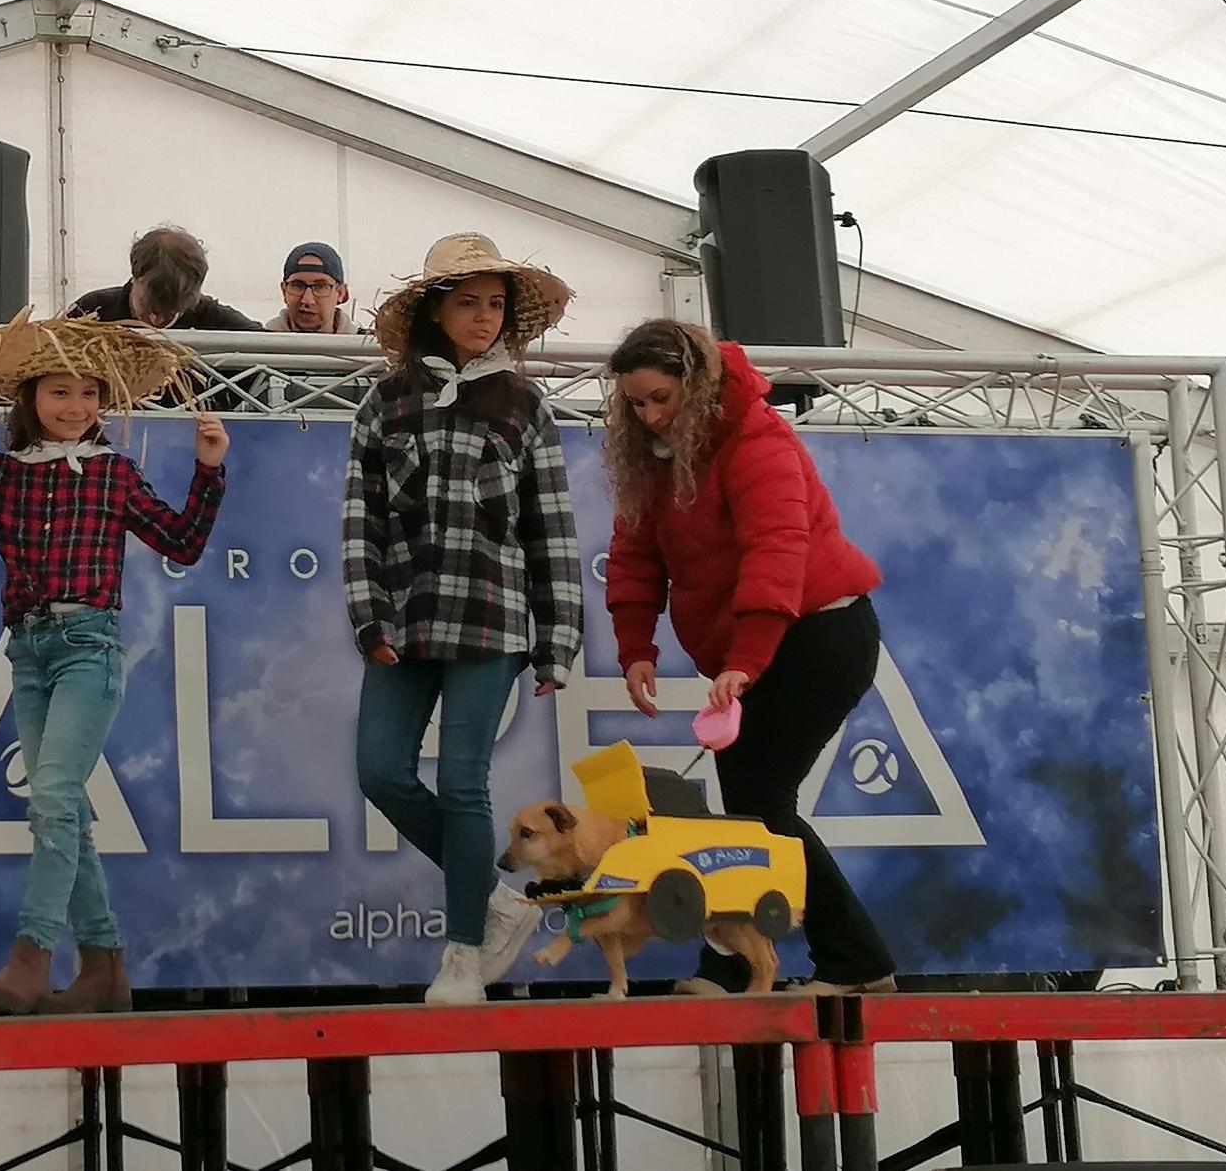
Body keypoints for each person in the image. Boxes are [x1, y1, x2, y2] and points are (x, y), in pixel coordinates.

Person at [0, 311, 230, 1015]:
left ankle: (32, 958)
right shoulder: (3, 474)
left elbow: (182, 542)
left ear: (103, 406)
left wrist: (208, 471)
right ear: (30, 400)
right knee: (66, 811)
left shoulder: (113, 472)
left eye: (88, 394)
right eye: (60, 392)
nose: (75, 407)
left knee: (51, 797)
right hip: (30, 651)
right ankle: (105, 969)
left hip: (89, 648)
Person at [602, 318, 896, 996]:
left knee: (760, 804)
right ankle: (744, 962)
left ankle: (847, 963)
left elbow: (778, 552)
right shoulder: (657, 455)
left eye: (661, 399)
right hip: (760, 647)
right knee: (748, 807)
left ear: (698, 385)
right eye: (635, 404)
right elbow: (635, 555)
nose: (648, 416)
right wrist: (634, 648)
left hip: (821, 635)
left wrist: (747, 659)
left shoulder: (760, 439)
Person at [344, 233, 583, 1005]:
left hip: (495, 618)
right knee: (380, 770)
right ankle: (496, 901)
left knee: (462, 783)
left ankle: (460, 959)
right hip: (407, 619)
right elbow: (363, 520)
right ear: (433, 312)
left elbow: (550, 527)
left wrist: (557, 642)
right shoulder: (386, 400)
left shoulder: (524, 403)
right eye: (468, 302)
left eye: (495, 305)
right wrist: (368, 615)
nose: (484, 318)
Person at [70, 226, 262, 331]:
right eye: (149, 306)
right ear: (135, 274)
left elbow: (276, 347)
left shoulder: (215, 320)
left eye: (173, 311)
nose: (157, 320)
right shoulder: (91, 312)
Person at [267, 242, 362, 335]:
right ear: (284, 291)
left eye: (320, 286)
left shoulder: (366, 348)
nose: (307, 300)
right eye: (297, 286)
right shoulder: (258, 346)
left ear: (341, 293)